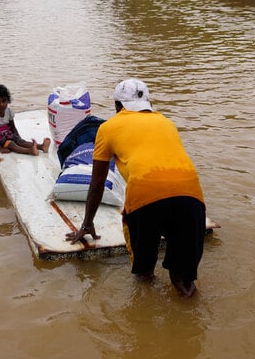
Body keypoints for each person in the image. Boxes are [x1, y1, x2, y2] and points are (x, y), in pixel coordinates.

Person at [65, 78, 206, 297]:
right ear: (149, 103)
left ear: (117, 106)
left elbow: (97, 184)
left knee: (144, 274)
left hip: (145, 197)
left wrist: (87, 224)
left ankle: (144, 316)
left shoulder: (107, 128)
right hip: (192, 197)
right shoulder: (167, 123)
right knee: (183, 282)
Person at [0, 84, 50, 156]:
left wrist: (19, 139)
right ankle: (29, 151)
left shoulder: (8, 111)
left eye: (4, 101)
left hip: (6, 135)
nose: (1, 104)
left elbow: (13, 127)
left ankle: (41, 147)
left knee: (19, 141)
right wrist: (0, 148)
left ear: (8, 101)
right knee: (11, 144)